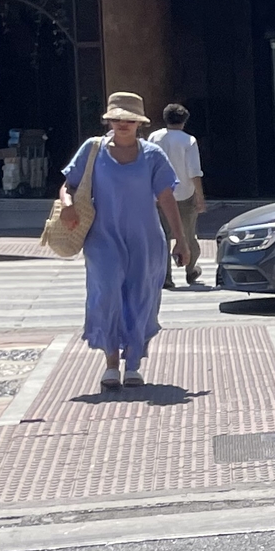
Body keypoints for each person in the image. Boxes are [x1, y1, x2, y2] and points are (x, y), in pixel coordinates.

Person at [66, 91, 183, 389]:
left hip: (145, 240)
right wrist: (66, 204)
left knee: (141, 299)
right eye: (117, 118)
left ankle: (133, 363)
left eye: (129, 119)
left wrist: (181, 239)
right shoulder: (92, 149)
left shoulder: (153, 155)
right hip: (103, 238)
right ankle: (110, 363)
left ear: (138, 123)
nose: (122, 123)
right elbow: (69, 185)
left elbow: (166, 198)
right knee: (105, 295)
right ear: (109, 120)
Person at [147, 102, 205, 289]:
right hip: (184, 194)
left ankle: (166, 276)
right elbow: (194, 171)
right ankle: (190, 269)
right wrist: (200, 196)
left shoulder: (154, 137)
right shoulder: (189, 140)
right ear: (184, 121)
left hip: (159, 194)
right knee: (188, 234)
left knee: (162, 236)